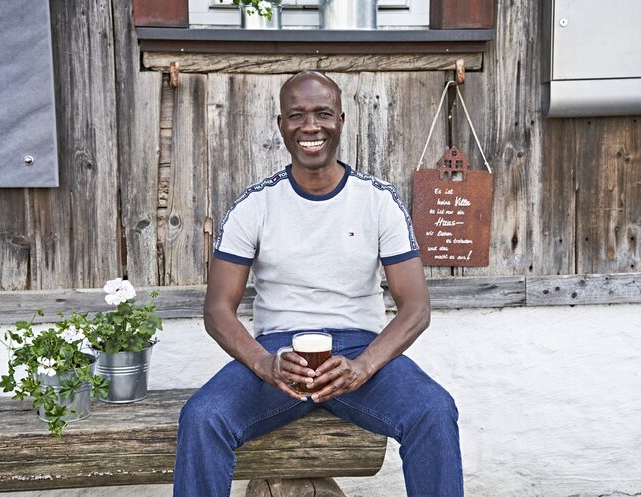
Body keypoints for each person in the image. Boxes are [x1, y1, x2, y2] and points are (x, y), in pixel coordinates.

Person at [173, 71, 463, 497]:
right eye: (297, 115)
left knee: (434, 411)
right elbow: (217, 309)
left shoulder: (377, 200)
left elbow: (416, 307)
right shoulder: (255, 205)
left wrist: (363, 367)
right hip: (279, 355)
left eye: (323, 113)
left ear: (341, 120)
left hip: (360, 351)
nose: (310, 126)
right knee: (202, 417)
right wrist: (262, 363)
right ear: (281, 125)